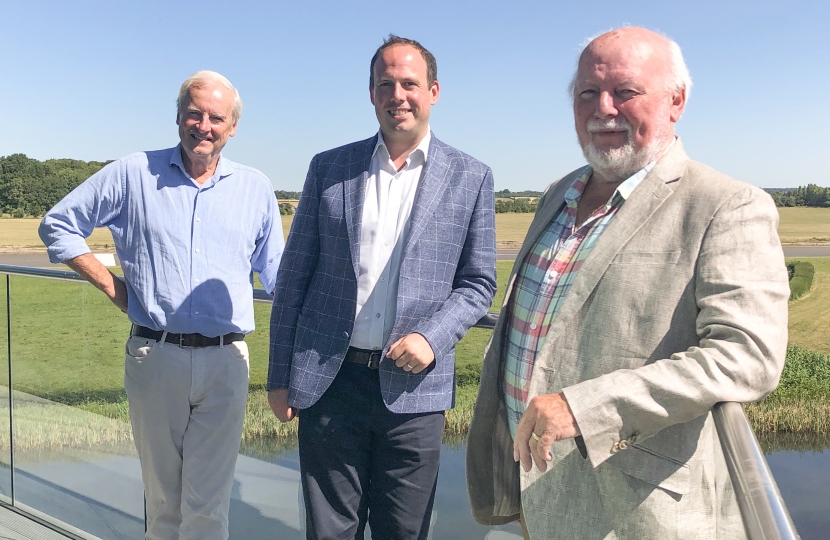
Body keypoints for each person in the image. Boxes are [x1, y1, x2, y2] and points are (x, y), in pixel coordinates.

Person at [466, 26, 789, 540]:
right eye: (588, 93)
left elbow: (746, 355)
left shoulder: (726, 205)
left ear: (676, 101)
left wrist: (583, 408)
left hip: (632, 510)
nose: (604, 108)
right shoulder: (556, 194)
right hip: (537, 488)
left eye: (626, 92)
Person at [267, 35, 497, 540]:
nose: (398, 95)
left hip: (416, 392)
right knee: (329, 532)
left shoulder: (472, 177)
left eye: (410, 83)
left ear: (433, 91)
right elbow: (294, 278)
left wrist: (432, 338)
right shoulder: (329, 168)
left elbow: (479, 283)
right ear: (371, 94)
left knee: (404, 532)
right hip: (330, 382)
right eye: (385, 84)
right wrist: (278, 375)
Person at [39, 71, 284, 540]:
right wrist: (115, 290)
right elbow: (58, 226)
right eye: (194, 113)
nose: (204, 126)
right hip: (155, 357)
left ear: (233, 128)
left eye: (216, 118)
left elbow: (277, 276)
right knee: (162, 502)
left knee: (209, 505)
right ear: (178, 117)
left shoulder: (255, 189)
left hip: (227, 361)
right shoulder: (134, 173)